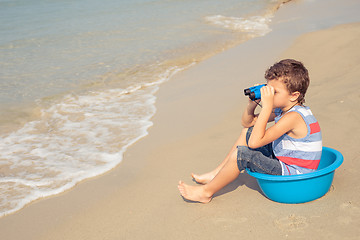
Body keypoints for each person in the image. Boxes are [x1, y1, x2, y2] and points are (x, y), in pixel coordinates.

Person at [178, 59, 322, 203]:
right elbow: (247, 123)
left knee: (241, 155)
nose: (269, 96)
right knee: (247, 132)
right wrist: (252, 104)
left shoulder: (294, 116)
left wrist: (266, 107)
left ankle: (206, 193)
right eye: (268, 89)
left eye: (274, 92)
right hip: (284, 159)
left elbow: (254, 143)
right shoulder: (284, 109)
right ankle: (216, 174)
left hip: (293, 174)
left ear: (294, 95)